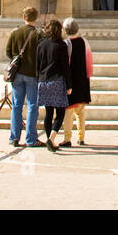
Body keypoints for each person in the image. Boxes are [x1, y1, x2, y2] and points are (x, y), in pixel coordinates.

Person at [4, 6, 41, 147]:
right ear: (35, 18)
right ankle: (31, 138)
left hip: (17, 74)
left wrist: (17, 60)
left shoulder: (16, 33)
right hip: (32, 74)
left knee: (16, 105)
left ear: (23, 17)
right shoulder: (38, 34)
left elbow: (8, 51)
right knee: (32, 105)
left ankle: (14, 137)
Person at [35, 18, 72, 151]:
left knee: (48, 112)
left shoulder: (41, 44)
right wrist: (69, 85)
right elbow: (65, 67)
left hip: (43, 81)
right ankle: (52, 138)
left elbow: (37, 65)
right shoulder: (61, 45)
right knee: (60, 112)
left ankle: (48, 138)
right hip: (57, 81)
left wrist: (37, 81)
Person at [62, 17, 93, 146]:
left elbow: (65, 64)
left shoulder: (66, 44)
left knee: (68, 112)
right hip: (82, 80)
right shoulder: (84, 42)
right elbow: (89, 61)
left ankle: (67, 138)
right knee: (80, 112)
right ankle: (81, 137)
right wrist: (88, 76)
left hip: (71, 82)